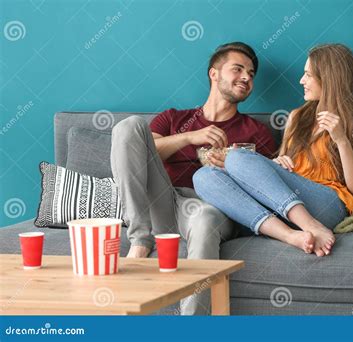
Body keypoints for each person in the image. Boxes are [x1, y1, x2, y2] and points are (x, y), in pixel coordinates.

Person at [110, 42, 276, 315]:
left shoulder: (256, 132)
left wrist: (234, 166)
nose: (247, 77)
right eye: (238, 69)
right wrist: (189, 137)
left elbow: (265, 190)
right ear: (214, 74)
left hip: (209, 206)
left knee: (205, 219)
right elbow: (139, 150)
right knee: (129, 126)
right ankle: (140, 240)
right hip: (163, 200)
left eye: (251, 74)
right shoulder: (175, 118)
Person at [193, 43, 353, 257]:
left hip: (326, 205)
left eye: (308, 75)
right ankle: (291, 236)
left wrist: (342, 140)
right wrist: (277, 163)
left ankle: (311, 224)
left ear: (329, 79)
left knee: (237, 158)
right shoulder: (296, 118)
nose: (302, 81)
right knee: (203, 176)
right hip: (282, 208)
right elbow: (282, 170)